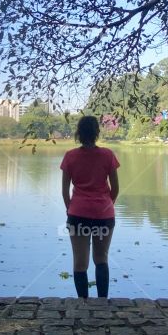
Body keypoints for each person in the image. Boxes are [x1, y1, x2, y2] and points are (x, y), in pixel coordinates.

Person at [61, 115, 120, 299]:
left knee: (80, 263)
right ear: (97, 133)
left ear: (79, 133)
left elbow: (64, 191)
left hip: (78, 214)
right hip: (104, 215)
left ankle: (83, 304)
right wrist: (107, 205)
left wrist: (70, 209)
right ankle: (102, 302)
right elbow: (115, 188)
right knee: (101, 259)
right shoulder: (108, 155)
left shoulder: (70, 156)